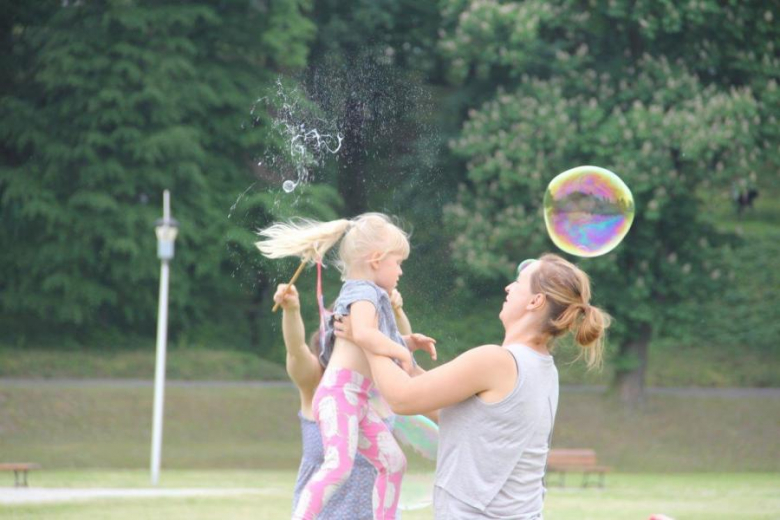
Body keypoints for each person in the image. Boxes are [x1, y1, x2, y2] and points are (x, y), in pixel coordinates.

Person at [336, 254, 610, 519]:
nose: (508, 287)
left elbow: (402, 399)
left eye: (518, 282)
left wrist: (366, 337)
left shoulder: (496, 360)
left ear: (535, 301)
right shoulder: (542, 367)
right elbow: (462, 420)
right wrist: (404, 363)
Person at [257, 213, 436, 520]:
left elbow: (376, 339)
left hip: (358, 400)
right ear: (377, 259)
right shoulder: (361, 291)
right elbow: (365, 335)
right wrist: (402, 353)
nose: (401, 271)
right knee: (338, 466)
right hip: (340, 394)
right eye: (398, 263)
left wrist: (408, 342)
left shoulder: (374, 295)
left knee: (394, 462)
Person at [273, 283, 415, 519]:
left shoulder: (381, 386)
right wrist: (291, 310)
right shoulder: (318, 383)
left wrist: (395, 313)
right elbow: (296, 350)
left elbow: (404, 357)